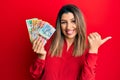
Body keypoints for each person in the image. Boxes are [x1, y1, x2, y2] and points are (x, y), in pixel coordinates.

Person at [30, 4, 112, 80]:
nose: (68, 27)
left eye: (73, 21)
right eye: (64, 22)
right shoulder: (47, 43)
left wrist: (93, 51)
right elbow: (35, 75)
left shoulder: (87, 50)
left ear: (80, 22)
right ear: (59, 25)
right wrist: (41, 56)